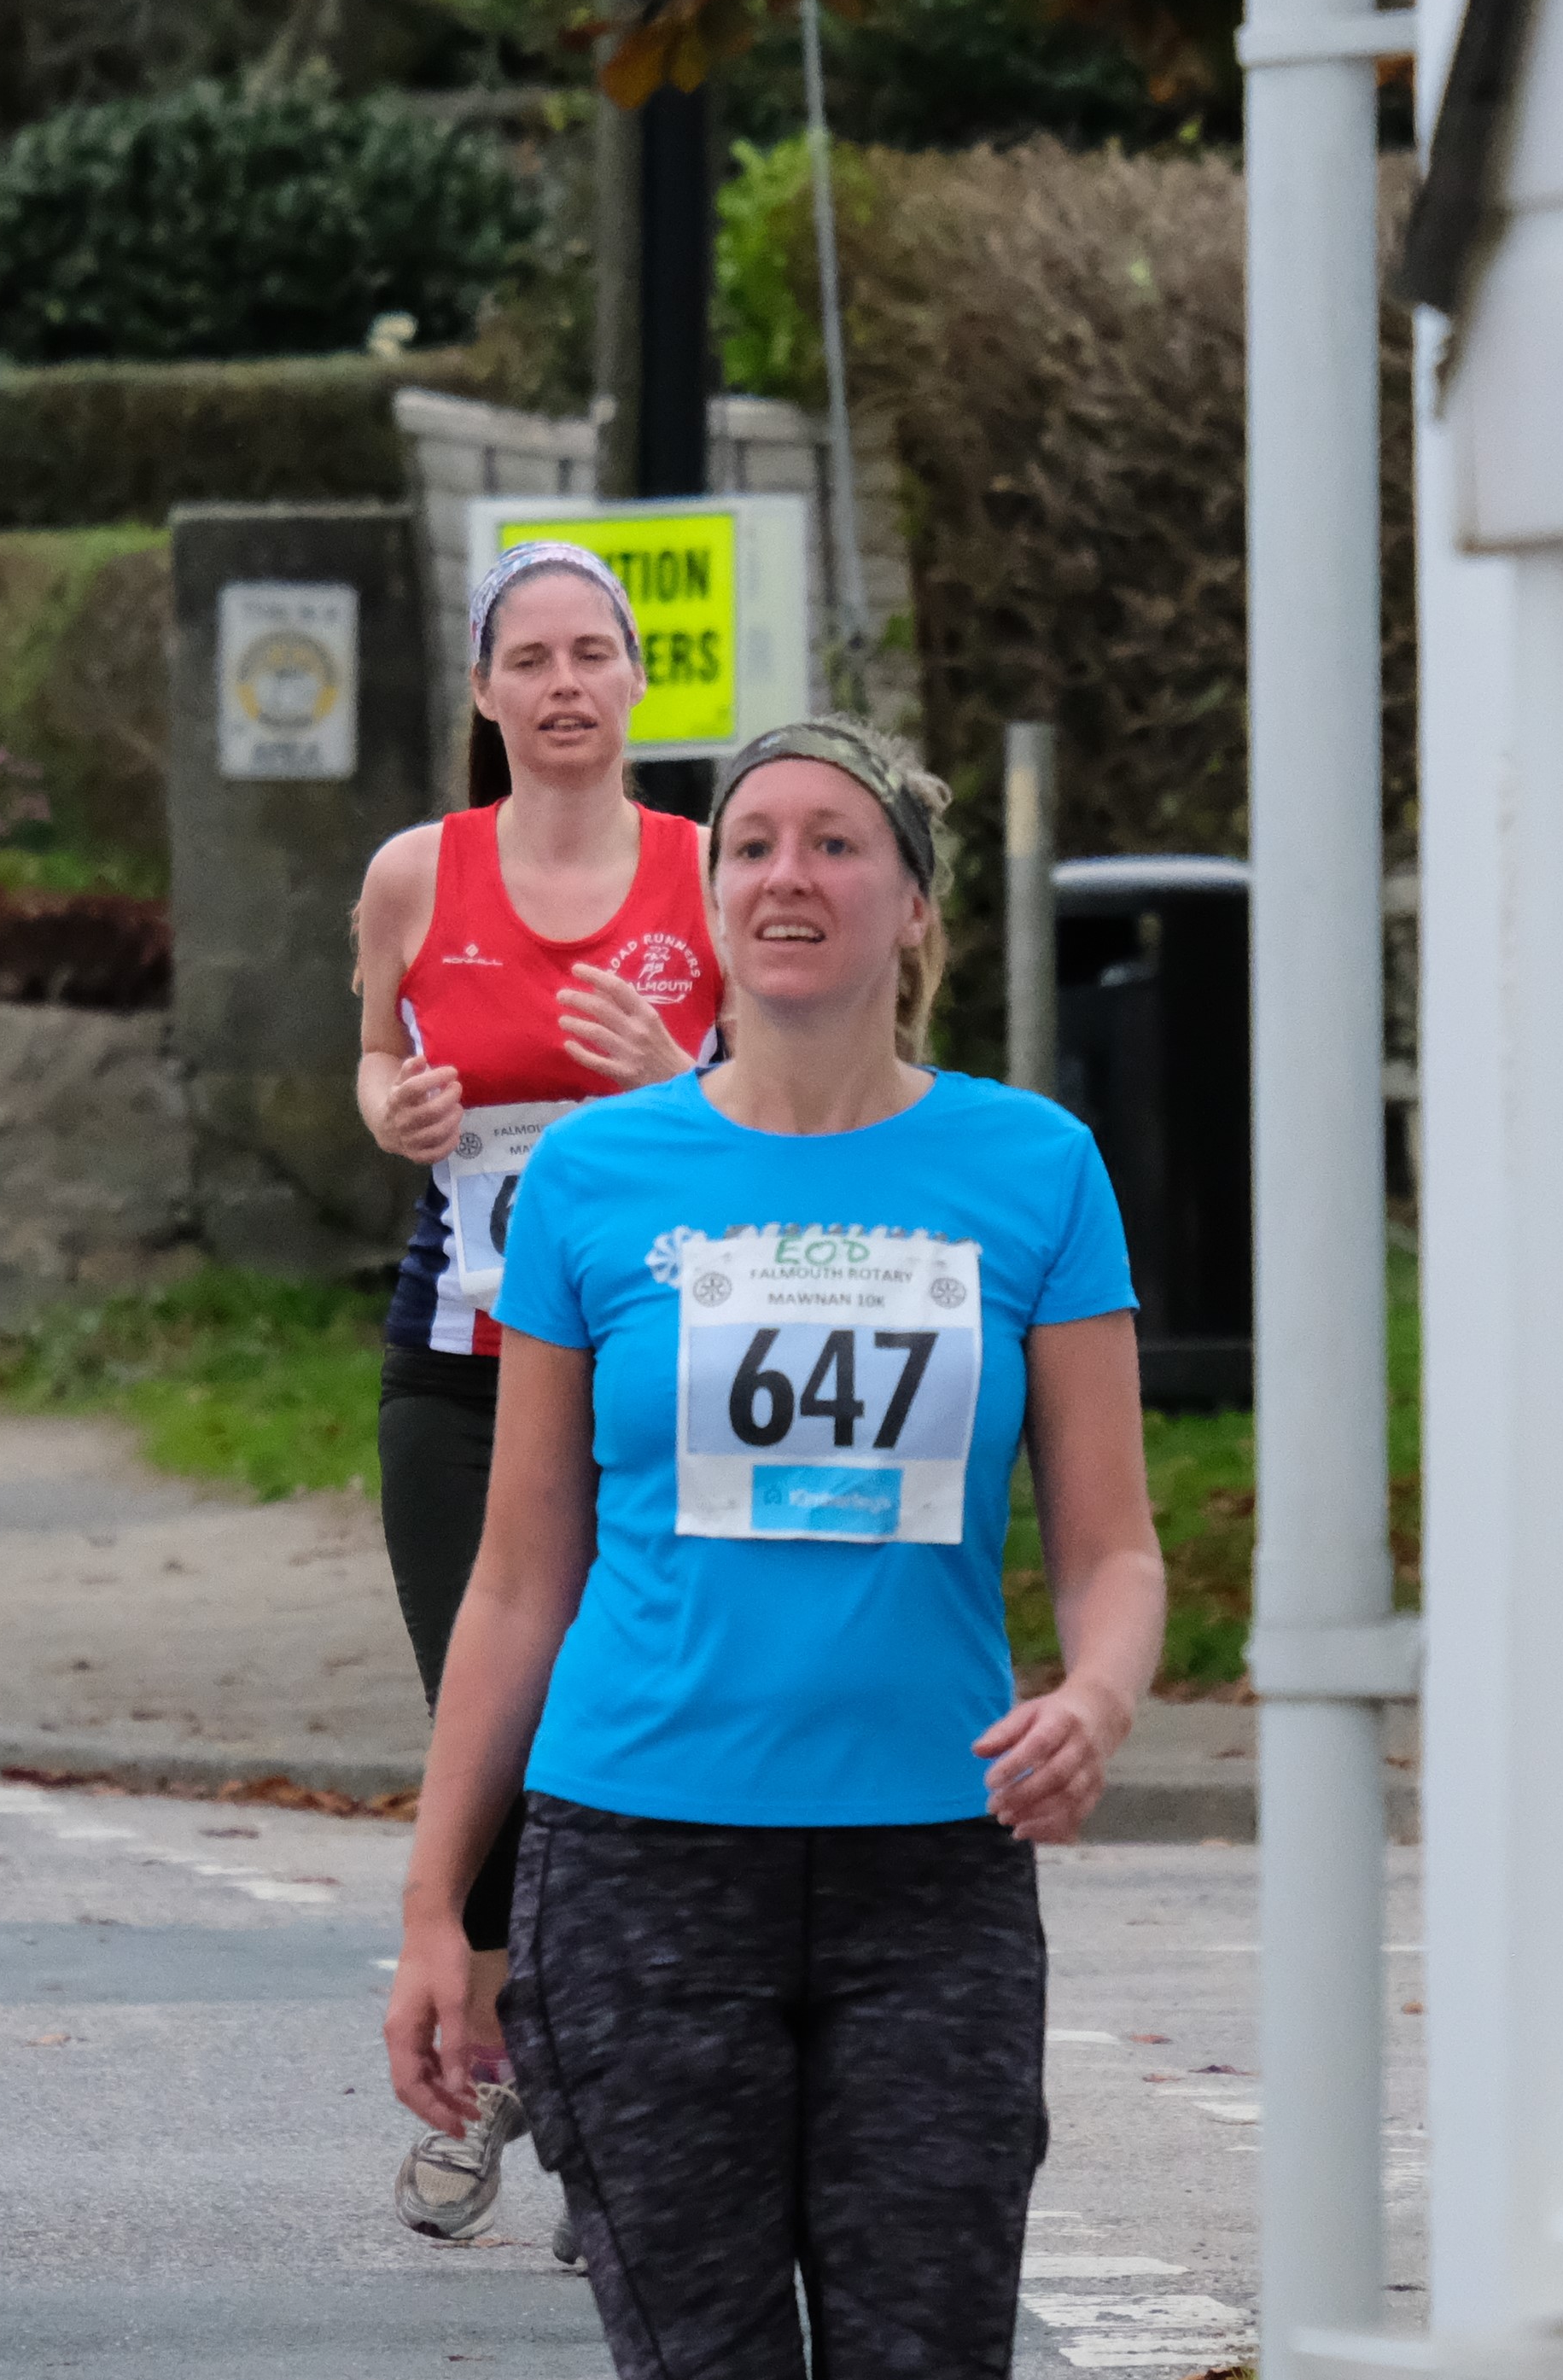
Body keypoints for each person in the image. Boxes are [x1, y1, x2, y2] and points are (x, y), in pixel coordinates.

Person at [383, 716, 1167, 2378]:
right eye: (749, 844)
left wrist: (1094, 1698)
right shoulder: (594, 1173)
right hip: (638, 1867)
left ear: (912, 906)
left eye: (832, 843)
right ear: (712, 897)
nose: (784, 874)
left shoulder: (1033, 1168)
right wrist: (434, 1907)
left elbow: (1113, 1548)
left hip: (928, 1872)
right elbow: (517, 1577)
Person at [349, 539, 723, 2243]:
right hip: (460, 1364)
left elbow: (797, 1103)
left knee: (625, 1720)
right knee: (486, 1721)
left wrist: (683, 1076)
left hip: (656, 1380)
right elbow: (375, 1052)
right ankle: (527, 2062)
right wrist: (394, 1109)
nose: (565, 685)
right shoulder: (414, 874)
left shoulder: (710, 871)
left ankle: (588, 2082)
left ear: (636, 679)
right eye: (532, 658)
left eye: (593, 654)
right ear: (483, 690)